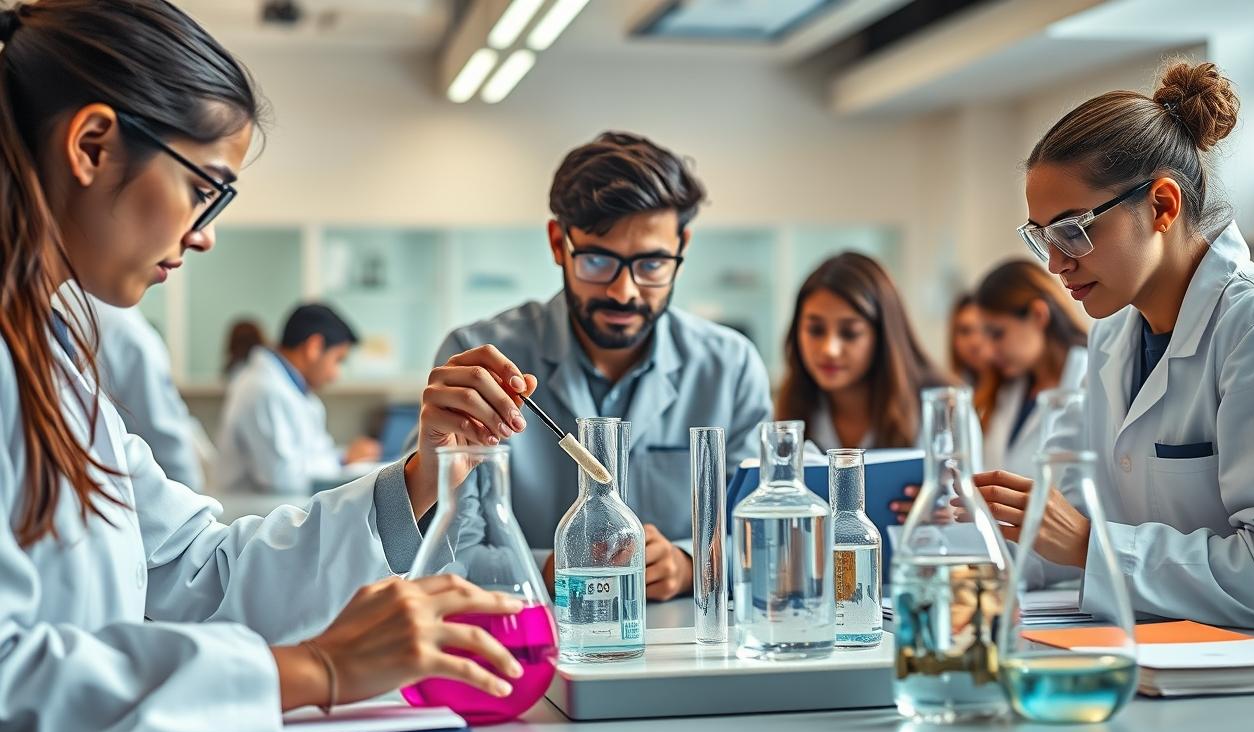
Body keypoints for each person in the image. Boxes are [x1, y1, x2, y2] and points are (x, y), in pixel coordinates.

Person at [0, 2, 543, 732]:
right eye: (205, 188)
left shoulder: (52, 356)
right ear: (91, 145)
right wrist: (314, 669)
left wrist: (422, 477)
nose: (205, 232)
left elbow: (200, 575)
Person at [969, 61, 1254, 638]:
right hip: (1166, 656)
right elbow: (1064, 513)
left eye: (1073, 229)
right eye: (1043, 236)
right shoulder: (1114, 336)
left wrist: (1096, 545)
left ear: (1163, 206)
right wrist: (973, 540)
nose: (1055, 262)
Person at [425, 131, 773, 602]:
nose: (623, 292)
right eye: (597, 261)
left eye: (651, 264)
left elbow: (766, 530)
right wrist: (553, 569)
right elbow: (435, 544)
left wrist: (692, 563)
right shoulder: (479, 356)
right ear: (557, 243)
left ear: (681, 246)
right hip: (527, 641)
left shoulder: (728, 367)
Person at [777, 251, 948, 451]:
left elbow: (964, 481)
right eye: (816, 330)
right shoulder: (789, 409)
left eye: (850, 333)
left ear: (884, 336)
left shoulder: (942, 408)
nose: (829, 350)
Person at [215, 303, 382, 493]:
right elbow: (283, 479)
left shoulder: (296, 392)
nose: (335, 375)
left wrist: (345, 458)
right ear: (314, 347)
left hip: (280, 510)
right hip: (253, 513)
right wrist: (343, 460)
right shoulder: (263, 389)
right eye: (337, 360)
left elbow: (314, 456)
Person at [973, 258, 1088, 477]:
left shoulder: (1090, 379)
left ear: (1038, 315)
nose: (988, 352)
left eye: (997, 334)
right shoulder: (1009, 389)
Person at [88, 296, 206, 490]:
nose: (174, 263)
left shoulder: (86, 315)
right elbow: (169, 446)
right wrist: (194, 494)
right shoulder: (127, 330)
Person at [948, 292, 991, 388]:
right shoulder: (956, 384)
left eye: (985, 329)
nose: (975, 341)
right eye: (965, 331)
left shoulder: (1016, 390)